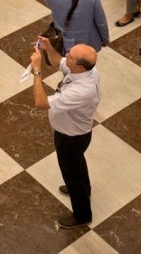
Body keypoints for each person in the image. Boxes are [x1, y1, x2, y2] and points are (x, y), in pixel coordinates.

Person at [30, 39, 101, 229]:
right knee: (77, 163)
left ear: (78, 66)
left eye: (70, 56)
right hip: (75, 134)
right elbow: (57, 62)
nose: (65, 56)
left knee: (71, 173)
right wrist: (49, 48)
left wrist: (37, 71)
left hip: (71, 137)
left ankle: (82, 214)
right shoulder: (86, 71)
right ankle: (84, 189)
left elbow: (41, 103)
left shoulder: (81, 91)